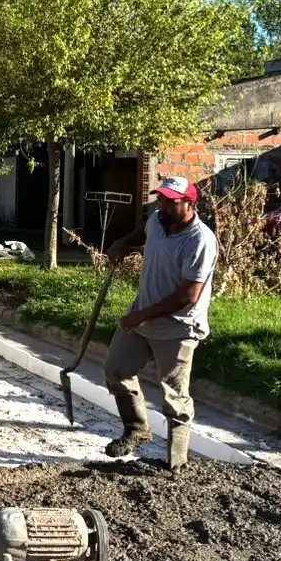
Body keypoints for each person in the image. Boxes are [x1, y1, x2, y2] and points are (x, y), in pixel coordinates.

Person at [104, 175, 219, 471]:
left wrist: (141, 315)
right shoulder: (158, 220)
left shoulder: (200, 240)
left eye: (171, 201)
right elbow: (143, 233)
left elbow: (188, 295)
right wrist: (122, 243)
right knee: (117, 370)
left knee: (174, 397)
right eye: (161, 199)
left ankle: (176, 465)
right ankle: (137, 429)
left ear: (189, 204)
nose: (163, 206)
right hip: (143, 317)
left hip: (178, 326)